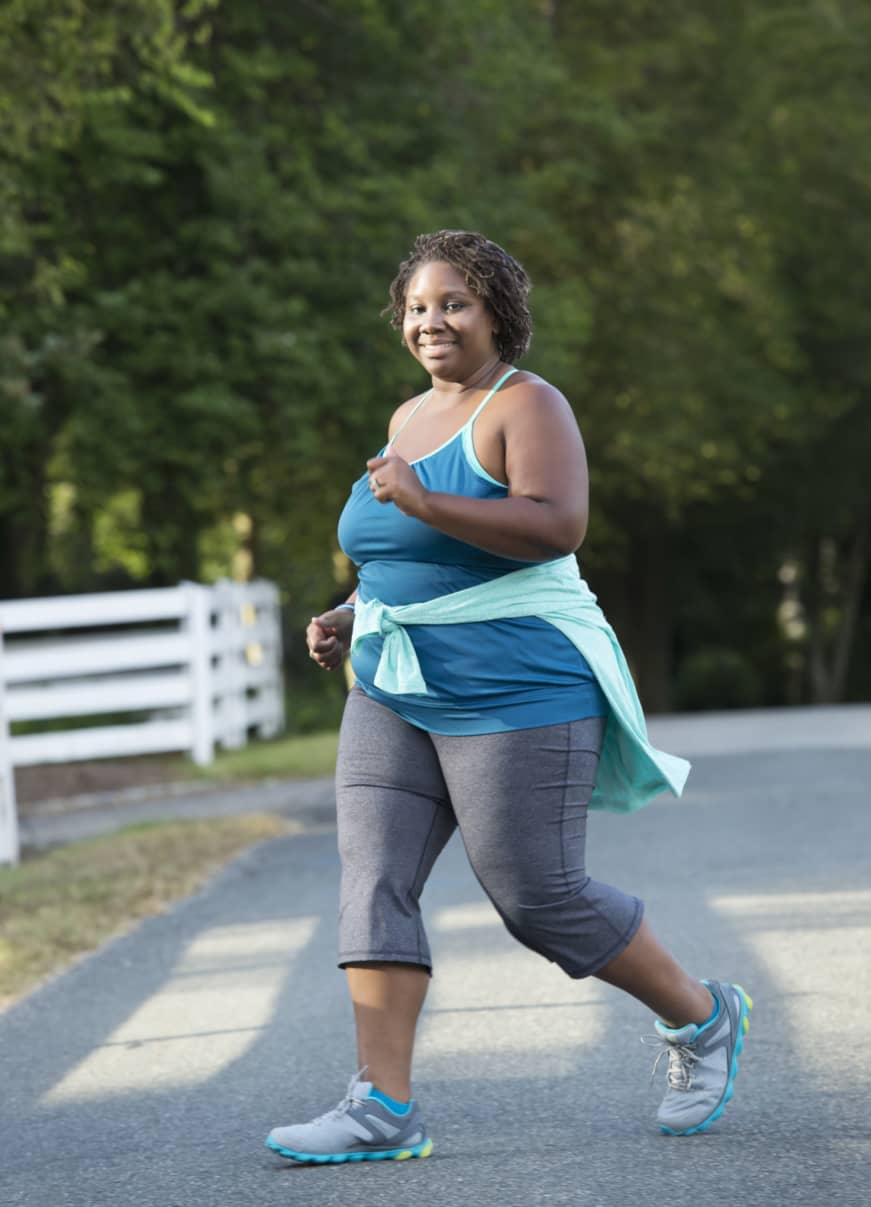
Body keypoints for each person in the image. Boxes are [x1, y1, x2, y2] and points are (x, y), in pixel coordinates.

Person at [265, 230, 751, 1165]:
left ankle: (701, 1018)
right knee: (372, 878)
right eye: (415, 306)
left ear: (495, 311)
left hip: (519, 683)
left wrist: (424, 500)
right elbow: (401, 558)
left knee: (538, 897)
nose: (430, 320)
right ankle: (381, 1106)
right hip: (395, 683)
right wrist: (347, 609)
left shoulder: (527, 404)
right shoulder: (408, 416)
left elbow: (554, 523)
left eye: (453, 302)